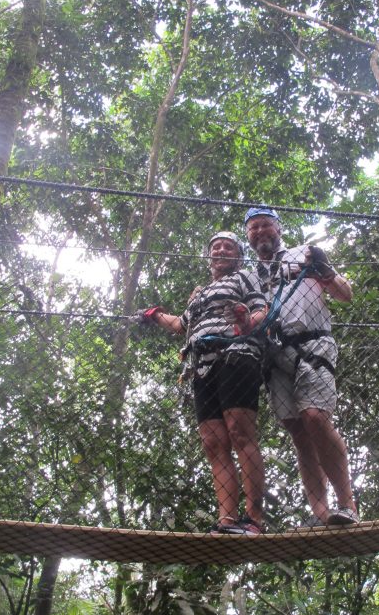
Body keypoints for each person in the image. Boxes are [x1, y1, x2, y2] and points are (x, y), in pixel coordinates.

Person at [141, 232, 268, 535]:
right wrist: (155, 315)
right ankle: (227, 520)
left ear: (237, 256)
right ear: (209, 257)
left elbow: (262, 310)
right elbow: (180, 325)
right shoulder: (199, 295)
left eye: (228, 246)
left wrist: (246, 321)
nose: (221, 250)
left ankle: (253, 519)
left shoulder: (244, 278)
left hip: (235, 355)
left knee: (240, 433)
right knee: (213, 443)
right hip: (201, 365)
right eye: (216, 247)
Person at [244, 206, 359, 527]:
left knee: (315, 417)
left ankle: (348, 504)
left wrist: (325, 271)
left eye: (265, 224)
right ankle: (321, 512)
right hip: (274, 356)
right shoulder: (249, 276)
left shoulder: (304, 253)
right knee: (299, 431)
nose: (260, 231)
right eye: (253, 228)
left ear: (278, 228)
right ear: (248, 236)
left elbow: (345, 294)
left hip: (313, 343)